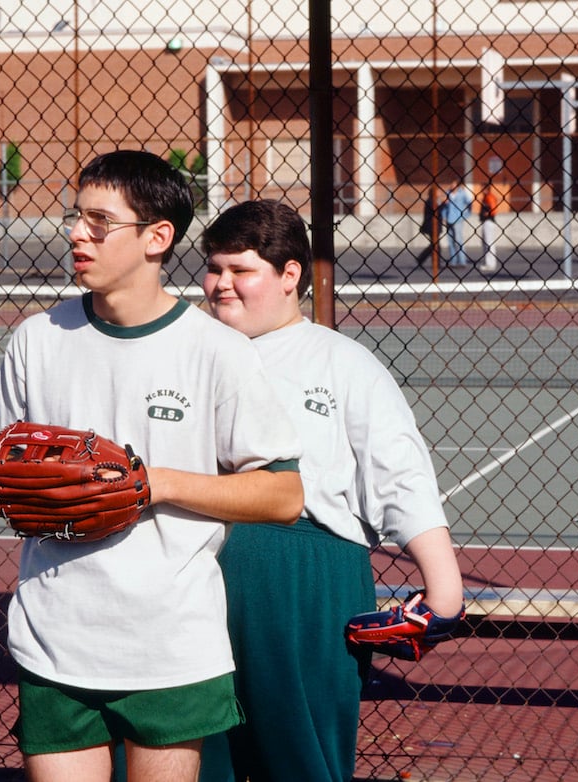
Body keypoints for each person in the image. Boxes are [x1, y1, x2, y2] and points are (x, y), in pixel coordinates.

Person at [0, 150, 304, 782]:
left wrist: (151, 484)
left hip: (170, 644)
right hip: (57, 638)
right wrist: (29, 493)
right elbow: (0, 485)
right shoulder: (37, 339)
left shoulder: (216, 350)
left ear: (158, 237)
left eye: (100, 222)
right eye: (77, 217)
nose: (78, 233)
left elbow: (283, 494)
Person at [198, 199, 466, 782]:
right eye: (213, 268)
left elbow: (398, 473)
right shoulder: (190, 351)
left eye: (240, 270)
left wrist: (444, 587)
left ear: (289, 273)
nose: (222, 284)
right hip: (196, 569)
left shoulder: (342, 361)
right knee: (195, 753)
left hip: (305, 573)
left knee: (300, 757)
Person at [438, 179, 473, 268]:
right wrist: (444, 216)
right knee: (450, 241)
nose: (452, 186)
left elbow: (470, 203)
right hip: (449, 219)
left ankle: (462, 261)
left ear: (457, 185)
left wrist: (466, 214)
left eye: (453, 184)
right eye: (451, 184)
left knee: (458, 240)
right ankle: (453, 261)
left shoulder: (462, 193)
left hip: (458, 219)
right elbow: (445, 207)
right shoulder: (448, 193)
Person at [477, 183, 499, 273]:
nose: (481, 190)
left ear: (487, 189)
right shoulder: (485, 197)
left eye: (483, 188)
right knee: (486, 243)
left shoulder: (490, 197)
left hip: (488, 222)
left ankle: (490, 264)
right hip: (485, 222)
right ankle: (488, 262)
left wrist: (487, 214)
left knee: (489, 243)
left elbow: (494, 210)